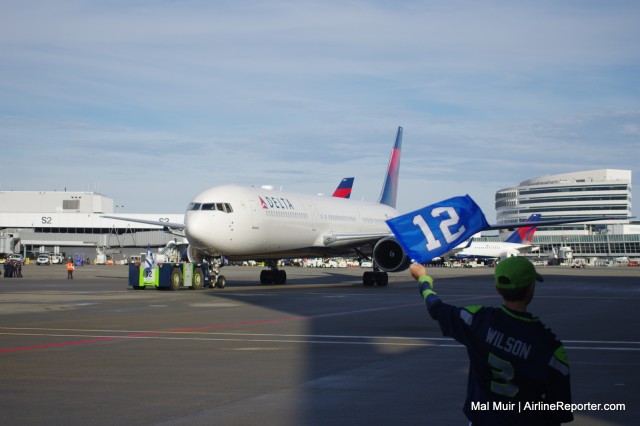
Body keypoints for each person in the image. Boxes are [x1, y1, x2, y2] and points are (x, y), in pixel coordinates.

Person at [410, 257, 573, 425]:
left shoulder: (476, 320)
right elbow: (558, 411)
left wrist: (423, 278)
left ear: (497, 288)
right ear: (531, 288)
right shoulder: (550, 347)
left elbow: (435, 307)